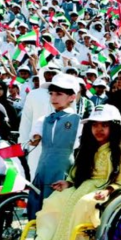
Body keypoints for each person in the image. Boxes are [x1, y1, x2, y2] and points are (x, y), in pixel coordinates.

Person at [12, 104, 121, 240]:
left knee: (84, 205)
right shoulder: (87, 148)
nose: (99, 130)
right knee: (54, 202)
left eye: (104, 125)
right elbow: (76, 174)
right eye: (95, 125)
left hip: (103, 191)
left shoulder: (120, 151)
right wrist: (67, 183)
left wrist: (109, 190)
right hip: (80, 186)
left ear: (114, 127)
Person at [26, 74, 81, 218]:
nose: (53, 98)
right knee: (38, 208)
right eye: (51, 94)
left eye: (59, 94)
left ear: (72, 97)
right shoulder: (43, 120)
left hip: (62, 169)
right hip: (42, 168)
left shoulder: (78, 121)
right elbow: (34, 137)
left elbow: (78, 145)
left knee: (56, 209)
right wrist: (35, 138)